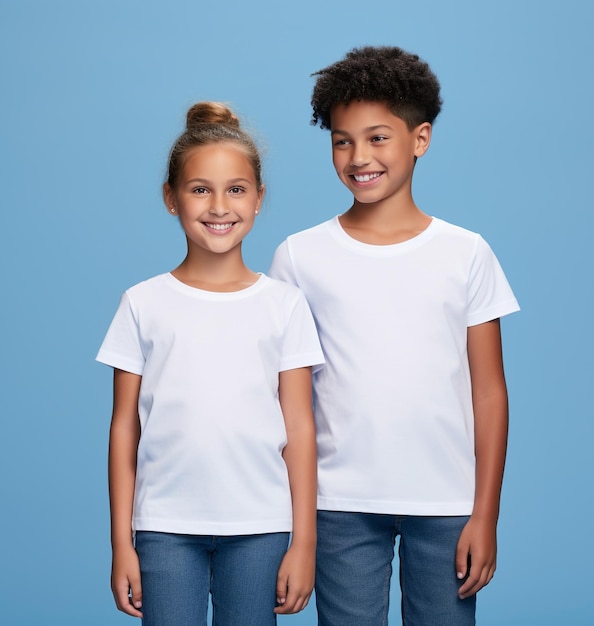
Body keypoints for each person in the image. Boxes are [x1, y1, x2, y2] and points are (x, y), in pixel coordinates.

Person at [269, 46, 520, 625]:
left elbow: (489, 392)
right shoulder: (300, 257)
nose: (359, 156)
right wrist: (296, 520)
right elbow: (287, 398)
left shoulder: (466, 254)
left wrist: (486, 514)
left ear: (420, 139)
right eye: (341, 140)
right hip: (339, 504)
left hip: (447, 503)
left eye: (378, 137)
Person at [97, 101, 324, 625]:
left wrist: (304, 542)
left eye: (236, 189)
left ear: (259, 199)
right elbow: (123, 428)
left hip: (262, 526)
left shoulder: (284, 305)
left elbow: (300, 428)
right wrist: (122, 544)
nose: (219, 206)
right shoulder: (142, 303)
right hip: (164, 527)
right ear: (171, 199)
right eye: (200, 189)